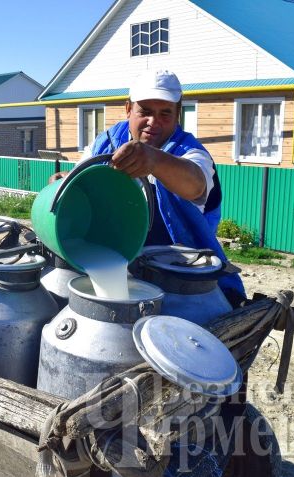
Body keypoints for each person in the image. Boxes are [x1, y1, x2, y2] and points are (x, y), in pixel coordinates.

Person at [72, 69, 245, 303]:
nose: (153, 122)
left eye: (165, 113)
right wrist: (65, 182)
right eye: (145, 111)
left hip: (181, 281)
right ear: (128, 109)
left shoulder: (190, 152)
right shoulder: (105, 144)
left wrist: (155, 161)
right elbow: (77, 183)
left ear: (177, 115)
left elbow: (195, 184)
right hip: (115, 267)